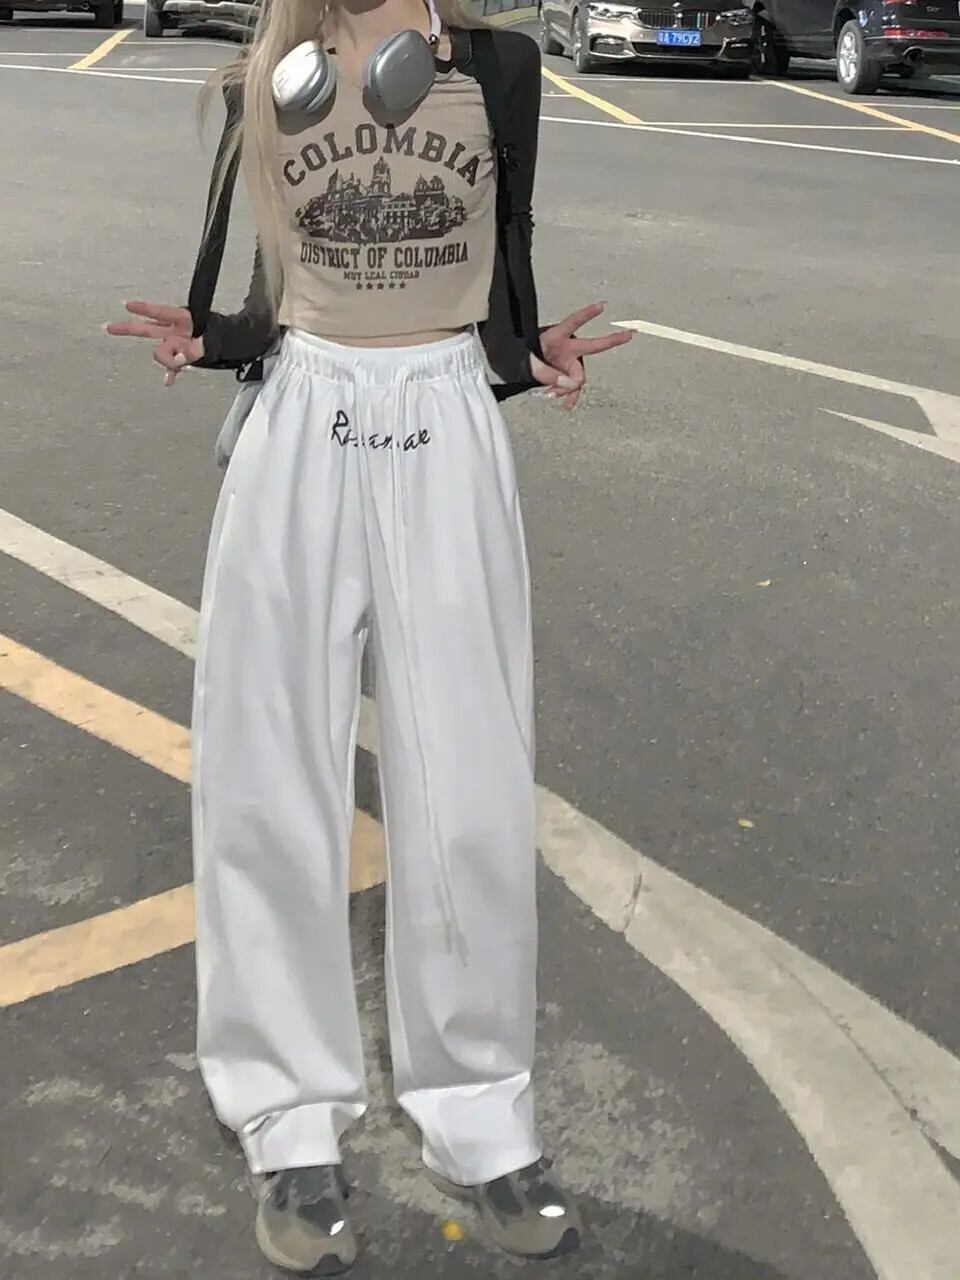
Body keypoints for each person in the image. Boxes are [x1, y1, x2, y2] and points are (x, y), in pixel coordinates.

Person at [108, 0, 630, 1272]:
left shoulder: (498, 68)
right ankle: (289, 1119)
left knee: (472, 784)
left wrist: (532, 353)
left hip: (445, 417)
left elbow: (500, 277)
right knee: (266, 776)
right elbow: (271, 298)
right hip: (301, 418)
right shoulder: (265, 71)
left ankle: (482, 1114)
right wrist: (210, 337)